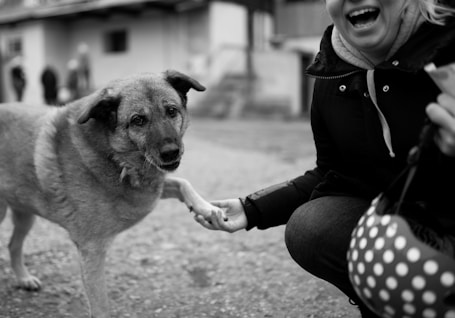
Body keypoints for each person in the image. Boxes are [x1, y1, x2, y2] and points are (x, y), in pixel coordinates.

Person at [192, 1, 455, 317]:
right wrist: (251, 208)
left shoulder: (448, 46)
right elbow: (332, 174)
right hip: (408, 224)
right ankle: (388, 304)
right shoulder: (333, 74)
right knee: (311, 227)